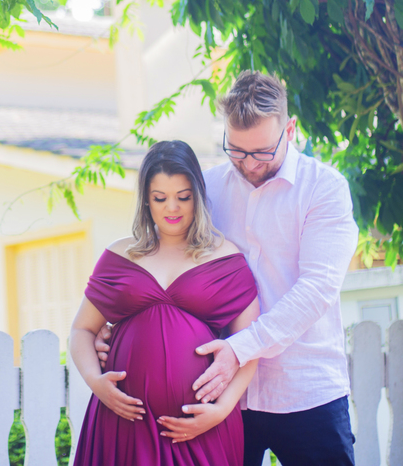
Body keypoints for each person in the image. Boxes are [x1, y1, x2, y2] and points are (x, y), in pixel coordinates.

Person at [95, 71, 360, 466]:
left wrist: (239, 348)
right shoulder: (207, 189)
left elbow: (316, 289)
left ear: (289, 130)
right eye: (236, 150)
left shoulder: (324, 189)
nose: (249, 164)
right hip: (219, 398)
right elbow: (165, 259)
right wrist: (117, 323)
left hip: (305, 391)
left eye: (262, 152)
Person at [69, 140, 261, 466]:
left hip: (201, 427)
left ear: (198, 196)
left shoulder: (226, 258)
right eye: (160, 198)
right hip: (124, 423)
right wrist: (95, 382)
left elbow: (250, 346)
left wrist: (220, 410)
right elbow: (81, 330)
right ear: (146, 200)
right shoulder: (119, 256)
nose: (172, 208)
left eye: (183, 197)